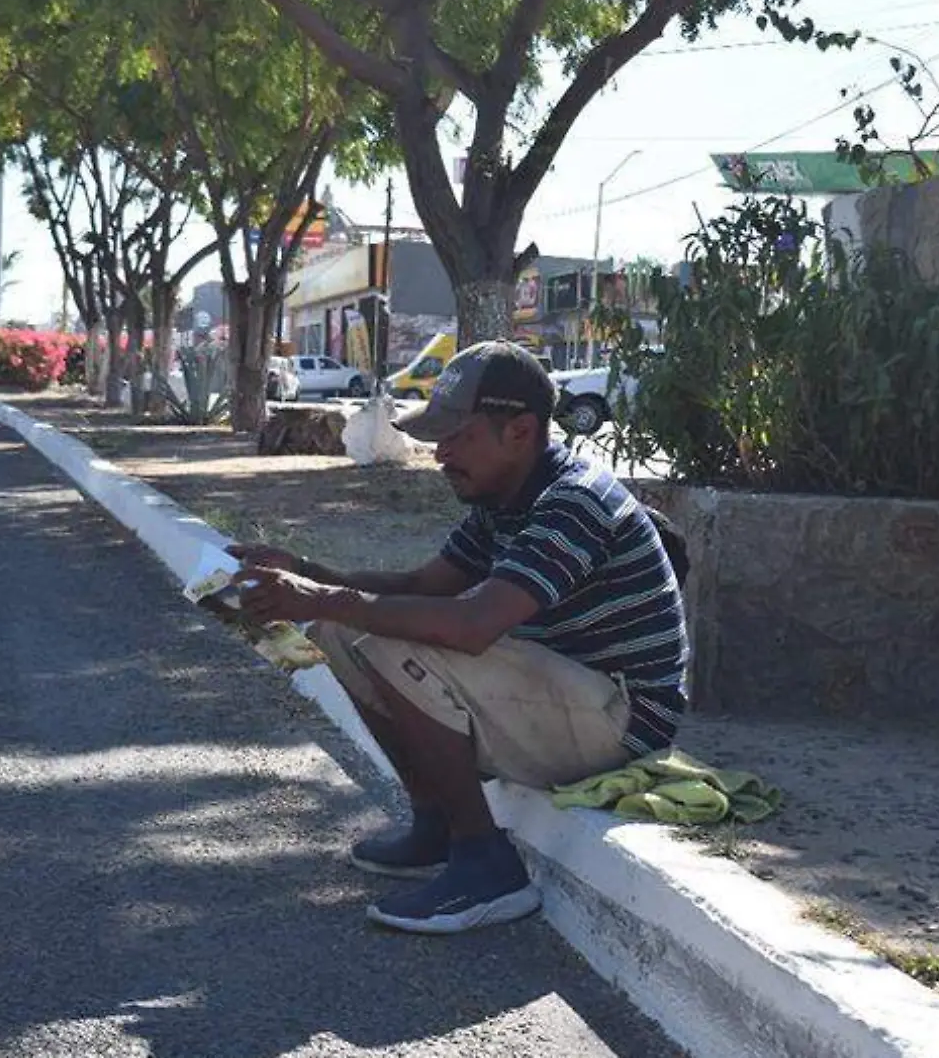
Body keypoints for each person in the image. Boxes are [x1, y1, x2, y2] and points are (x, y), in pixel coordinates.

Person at [230, 341, 690, 936]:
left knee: (389, 639)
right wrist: (307, 573)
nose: (439, 453)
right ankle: (439, 823)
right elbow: (425, 585)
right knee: (342, 629)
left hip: (622, 719)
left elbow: (472, 627)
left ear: (520, 431)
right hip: (560, 692)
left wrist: (318, 596)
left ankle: (488, 866)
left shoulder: (573, 502)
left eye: (456, 436)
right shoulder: (504, 497)